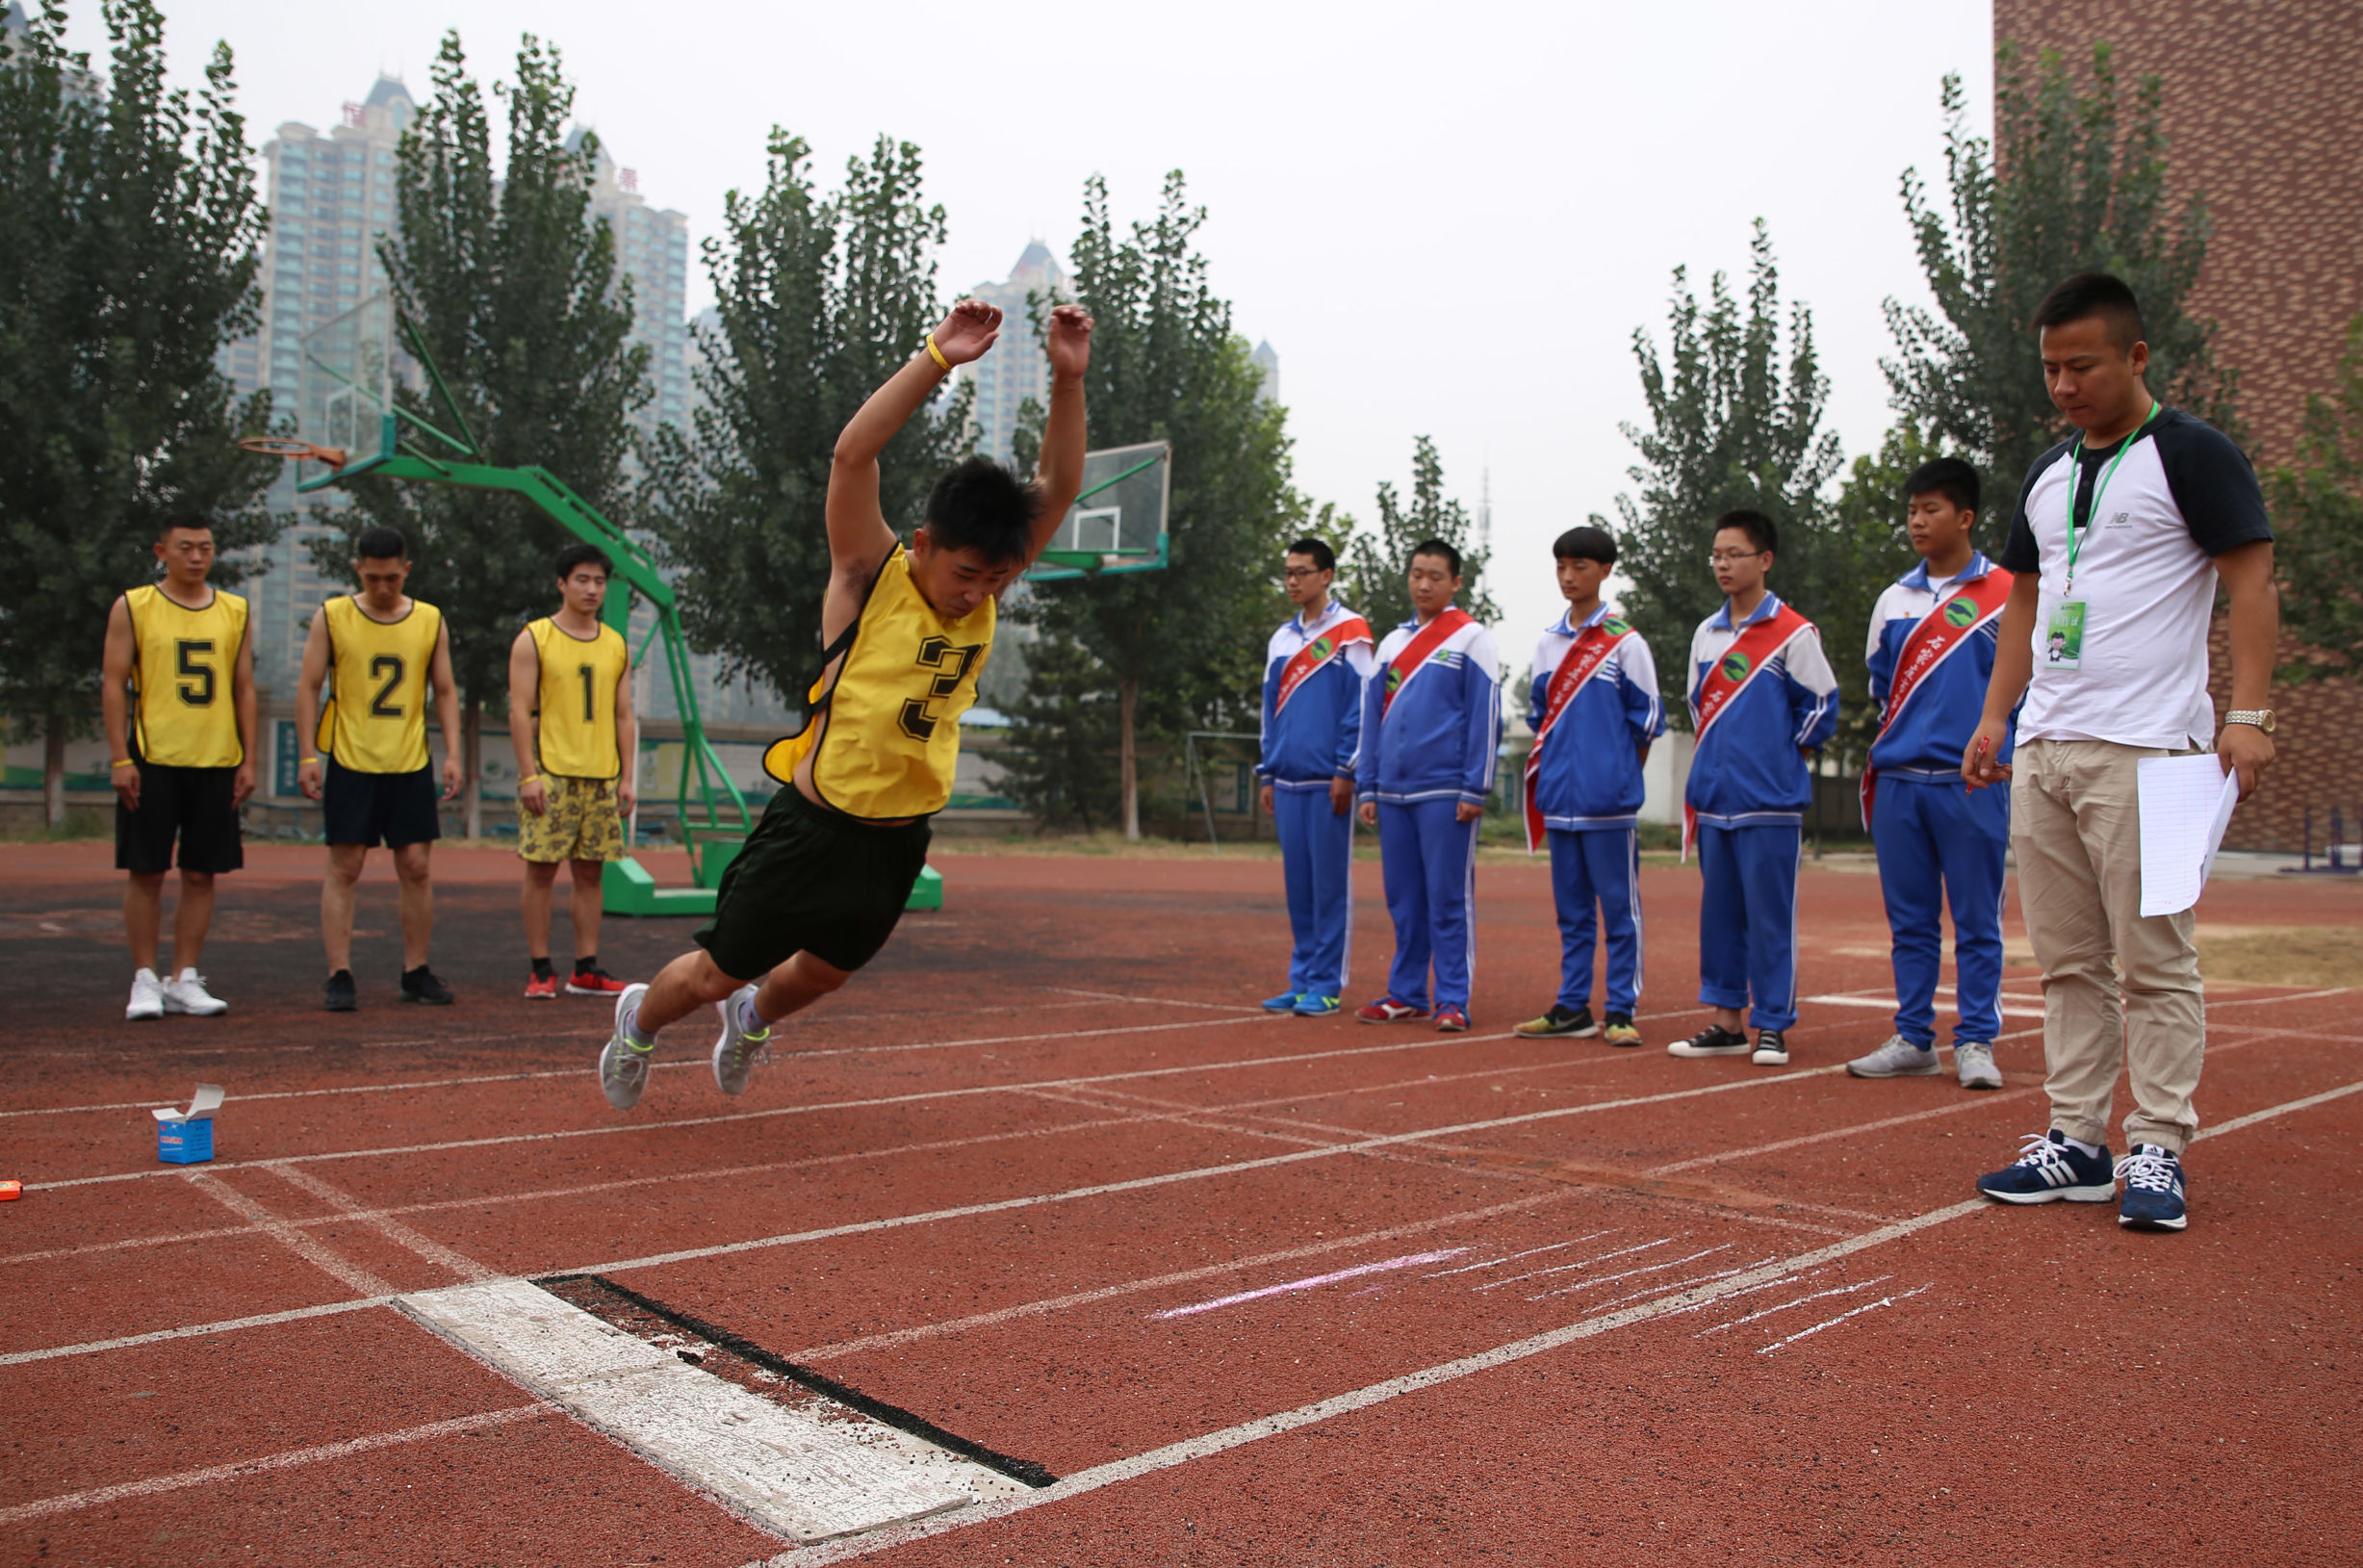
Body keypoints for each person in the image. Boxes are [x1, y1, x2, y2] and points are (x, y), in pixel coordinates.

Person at [597, 298, 1095, 1110]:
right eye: (965, 574)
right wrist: (936, 357)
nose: (978, 594)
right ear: (925, 546)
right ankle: (636, 1024)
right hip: (811, 827)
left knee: (821, 973)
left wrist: (1067, 380)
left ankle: (751, 1019)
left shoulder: (993, 574)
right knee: (713, 970)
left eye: (996, 580)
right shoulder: (870, 572)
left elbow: (1061, 485)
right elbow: (851, 456)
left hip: (896, 839)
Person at [1965, 271, 2278, 1232]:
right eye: (2051, 368)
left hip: (2154, 750)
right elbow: (2021, 598)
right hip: (2048, 747)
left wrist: (2250, 713)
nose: (2063, 386)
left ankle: (2157, 1147)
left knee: (2154, 959)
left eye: (2082, 365)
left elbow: (2251, 578)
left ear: (2136, 357)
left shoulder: (2193, 455)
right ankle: (2075, 1140)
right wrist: (1994, 717)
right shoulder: (2048, 472)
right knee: (2066, 963)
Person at [1846, 460, 2014, 1090]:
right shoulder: (1894, 599)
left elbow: (2029, 686)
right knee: (1909, 921)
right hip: (1898, 784)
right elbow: (1880, 685)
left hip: (1971, 783)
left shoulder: (2007, 592)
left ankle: (1975, 1040)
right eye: (1912, 509)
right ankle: (1914, 1035)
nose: (1917, 520)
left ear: (1965, 517)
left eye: (1931, 509)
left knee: (1976, 920)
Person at [1667, 510, 1838, 1068]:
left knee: (1770, 916)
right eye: (1716, 553)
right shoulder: (1706, 632)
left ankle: (1772, 1024)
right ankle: (1725, 1021)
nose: (1722, 563)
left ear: (1764, 560)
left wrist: (1780, 759)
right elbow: (1699, 707)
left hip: (1770, 802)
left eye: (1734, 553)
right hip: (1715, 801)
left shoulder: (1794, 631)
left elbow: (1820, 708)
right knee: (1719, 914)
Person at [295, 526, 464, 1010]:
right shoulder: (332, 616)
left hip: (410, 761)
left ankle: (415, 971)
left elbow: (446, 690)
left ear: (406, 570)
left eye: (392, 577)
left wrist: (452, 753)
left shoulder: (430, 620)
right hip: (352, 760)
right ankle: (339, 974)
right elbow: (308, 687)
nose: (383, 587)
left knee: (415, 867)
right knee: (345, 867)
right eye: (373, 578)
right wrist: (309, 755)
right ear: (358, 570)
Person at [99, 511, 255, 1020]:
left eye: (205, 548)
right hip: (153, 757)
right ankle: (145, 978)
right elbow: (113, 682)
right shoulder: (135, 607)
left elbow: (244, 688)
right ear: (160, 551)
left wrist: (248, 758)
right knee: (146, 871)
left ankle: (185, 977)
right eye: (185, 547)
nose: (196, 557)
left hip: (215, 758)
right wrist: (121, 757)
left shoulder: (234, 609)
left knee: (201, 873)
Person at [1514, 527, 1663, 1047]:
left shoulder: (1626, 643)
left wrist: (1616, 774)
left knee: (1619, 911)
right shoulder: (1547, 643)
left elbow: (1646, 725)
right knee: (1572, 913)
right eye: (1561, 567)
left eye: (1580, 567)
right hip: (1560, 803)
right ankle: (1572, 1006)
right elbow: (1541, 719)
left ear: (1604, 571)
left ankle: (1621, 1009)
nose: (1568, 577)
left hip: (1609, 806)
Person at [1353, 541, 1502, 1034]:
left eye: (1435, 576)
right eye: (1417, 574)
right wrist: (1367, 785)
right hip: (1392, 792)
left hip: (1445, 791)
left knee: (1447, 897)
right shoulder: (1392, 643)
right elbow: (1371, 720)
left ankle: (1453, 998)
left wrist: (1475, 787)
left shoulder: (1472, 639)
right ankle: (1407, 992)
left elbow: (1485, 716)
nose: (1423, 584)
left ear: (1456, 582)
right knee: (1404, 899)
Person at [508, 544, 638, 999]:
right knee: (541, 872)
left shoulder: (615, 644)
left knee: (590, 874)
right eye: (581, 579)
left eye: (599, 581)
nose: (591, 589)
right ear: (562, 583)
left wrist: (626, 777)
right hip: (553, 773)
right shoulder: (534, 638)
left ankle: (586, 968)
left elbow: (624, 715)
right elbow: (520, 710)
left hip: (600, 776)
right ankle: (540, 967)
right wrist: (529, 774)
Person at [1256, 538, 1375, 1017]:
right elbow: (1268, 710)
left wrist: (1347, 768)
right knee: (1298, 885)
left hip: (1330, 780)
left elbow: (1361, 705)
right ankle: (1302, 977)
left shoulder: (1351, 633)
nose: (1292, 580)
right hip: (1286, 780)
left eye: (1302, 572)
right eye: (1287, 572)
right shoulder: (1281, 640)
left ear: (1326, 575)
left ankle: (1326, 982)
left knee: (1329, 886)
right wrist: (1266, 770)